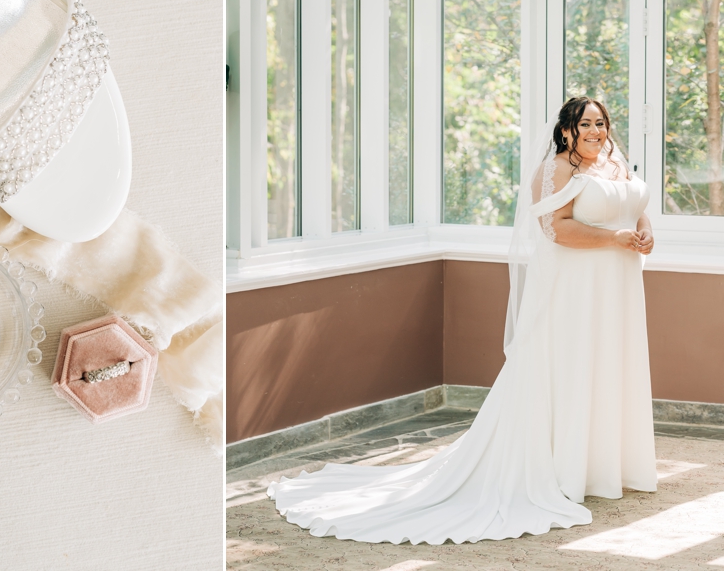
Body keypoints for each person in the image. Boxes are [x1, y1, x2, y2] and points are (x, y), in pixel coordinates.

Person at [267, 97, 657, 544]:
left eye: (601, 123)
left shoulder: (613, 163)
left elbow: (634, 205)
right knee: (571, 369)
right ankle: (565, 467)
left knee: (608, 367)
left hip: (617, 290)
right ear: (566, 131)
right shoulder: (557, 171)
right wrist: (616, 239)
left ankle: (604, 465)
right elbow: (556, 230)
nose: (595, 131)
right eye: (585, 124)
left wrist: (644, 233)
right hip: (576, 292)